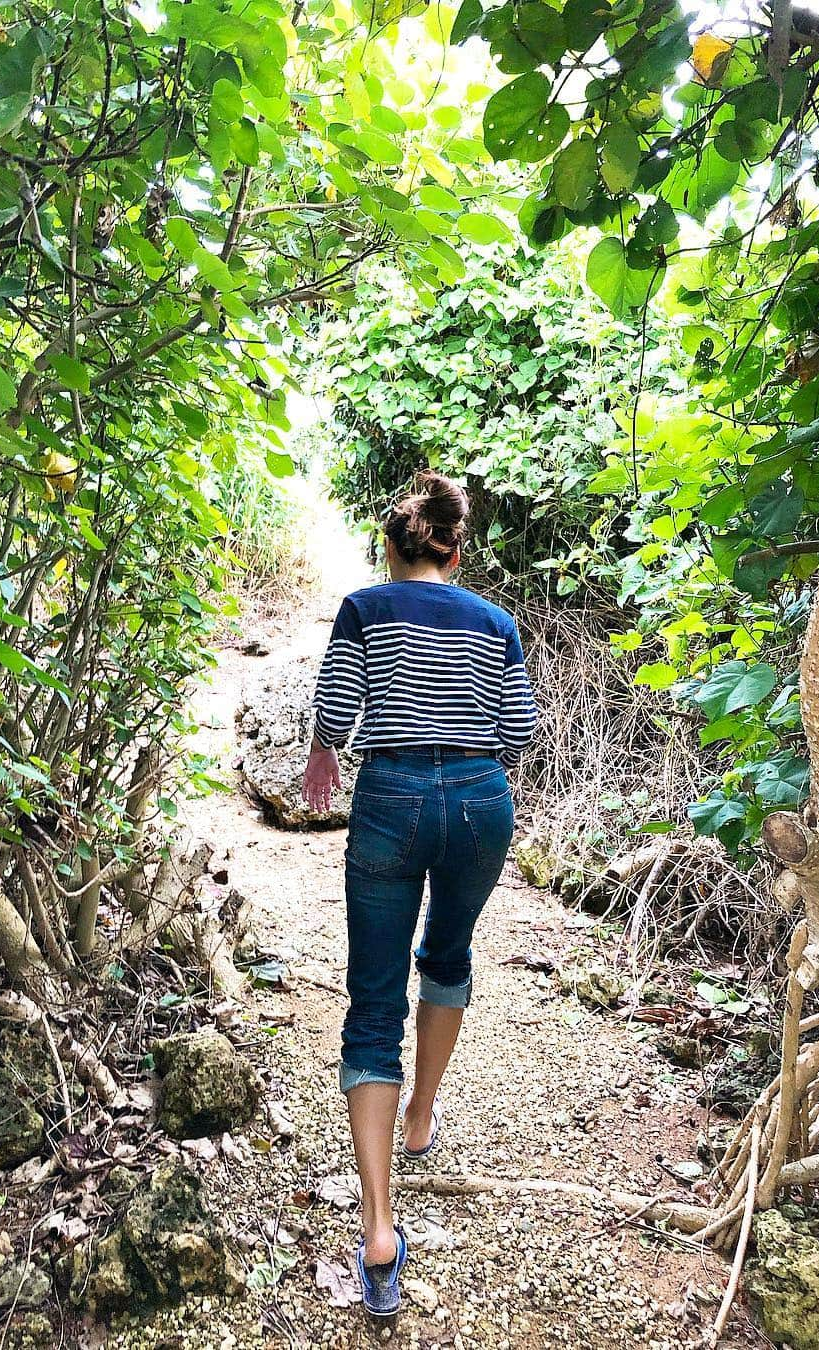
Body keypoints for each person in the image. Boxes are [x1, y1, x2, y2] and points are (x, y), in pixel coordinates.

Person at [301, 471, 537, 1317]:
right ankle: (422, 1115)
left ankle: (377, 1229)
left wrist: (327, 750)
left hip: (392, 798)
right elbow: (518, 734)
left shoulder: (366, 607)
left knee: (372, 1001)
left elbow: (336, 705)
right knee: (448, 952)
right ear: (455, 550)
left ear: (391, 550)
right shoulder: (496, 622)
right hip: (480, 802)